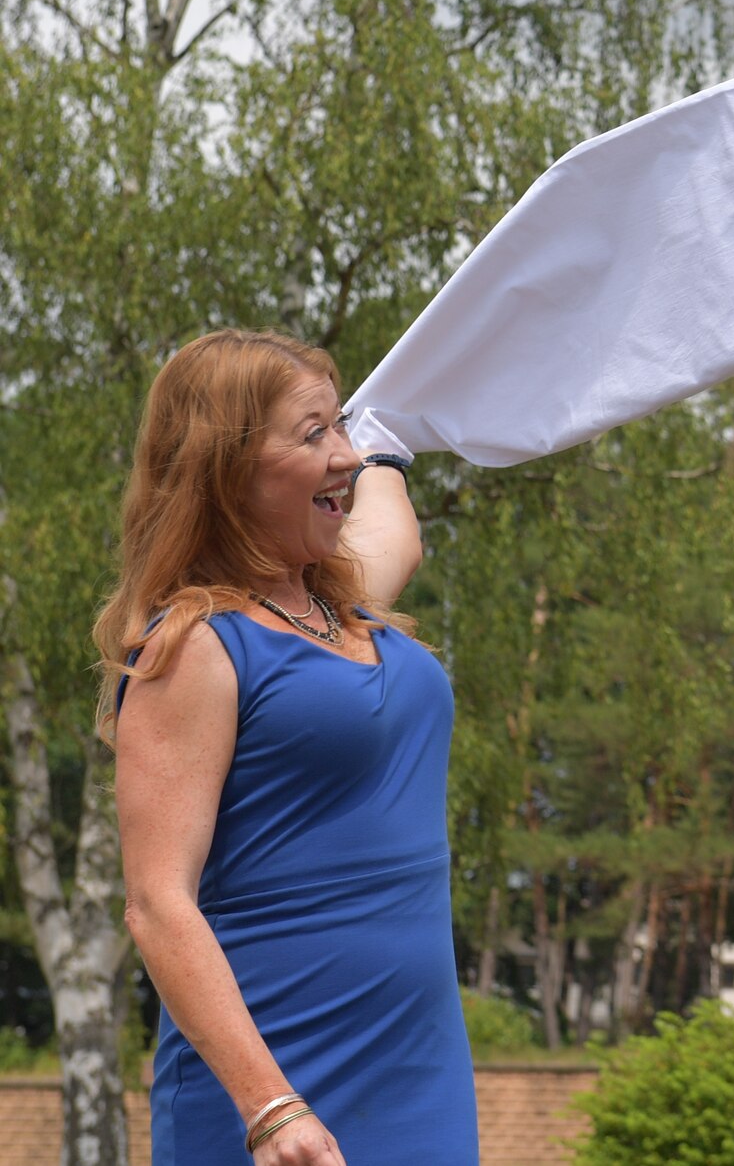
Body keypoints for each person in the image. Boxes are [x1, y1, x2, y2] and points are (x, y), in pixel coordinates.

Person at [99, 328, 473, 1164]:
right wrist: (269, 1107)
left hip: (418, 1074)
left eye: (341, 426)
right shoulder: (197, 646)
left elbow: (394, 529)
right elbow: (158, 901)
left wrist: (381, 440)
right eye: (315, 435)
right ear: (227, 468)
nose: (343, 454)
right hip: (272, 1084)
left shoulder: (341, 605)